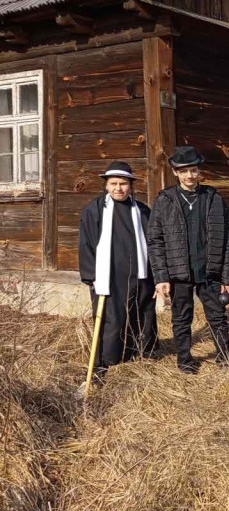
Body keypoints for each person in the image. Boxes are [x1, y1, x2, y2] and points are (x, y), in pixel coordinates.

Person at [148, 146, 229, 372]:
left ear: (199, 172)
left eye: (193, 170)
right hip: (180, 273)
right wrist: (161, 277)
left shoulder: (213, 198)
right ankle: (185, 360)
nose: (189, 176)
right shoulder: (165, 200)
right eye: (184, 171)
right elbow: (155, 241)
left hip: (210, 271)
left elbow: (228, 240)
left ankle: (224, 356)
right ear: (175, 172)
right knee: (181, 318)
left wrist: (227, 277)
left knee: (217, 316)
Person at [77, 161, 157, 382]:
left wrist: (157, 276)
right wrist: (91, 276)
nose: (118, 188)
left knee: (140, 316)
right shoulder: (94, 211)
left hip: (141, 275)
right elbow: (86, 245)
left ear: (131, 185)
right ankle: (107, 361)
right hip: (109, 277)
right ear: (106, 185)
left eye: (123, 183)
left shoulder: (141, 211)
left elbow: (153, 244)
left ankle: (137, 357)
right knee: (112, 320)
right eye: (113, 184)